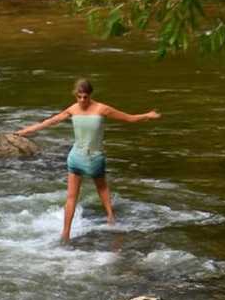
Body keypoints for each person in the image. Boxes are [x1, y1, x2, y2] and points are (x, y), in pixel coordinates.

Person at [15, 78, 161, 242]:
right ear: (75, 95)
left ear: (90, 95)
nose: (82, 100)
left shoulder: (102, 109)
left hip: (94, 159)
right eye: (79, 97)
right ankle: (66, 233)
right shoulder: (74, 109)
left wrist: (147, 115)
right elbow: (50, 122)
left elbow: (129, 118)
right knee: (73, 197)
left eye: (85, 97)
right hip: (75, 158)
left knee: (102, 187)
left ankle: (110, 217)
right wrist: (26, 131)